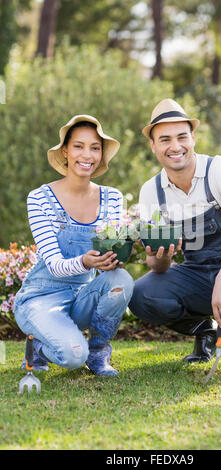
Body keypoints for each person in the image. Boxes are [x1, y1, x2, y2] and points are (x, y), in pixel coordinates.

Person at [129, 99, 221, 380]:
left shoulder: (220, 170)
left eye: (182, 137)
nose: (175, 146)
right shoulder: (152, 192)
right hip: (197, 274)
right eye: (165, 139)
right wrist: (163, 253)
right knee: (140, 295)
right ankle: (204, 330)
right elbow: (156, 266)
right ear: (153, 146)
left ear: (193, 138)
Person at [14, 115, 134, 376]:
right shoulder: (39, 198)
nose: (87, 155)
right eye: (78, 146)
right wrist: (85, 262)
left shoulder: (112, 198)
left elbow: (108, 253)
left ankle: (99, 353)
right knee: (71, 356)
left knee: (121, 279)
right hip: (41, 297)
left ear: (101, 155)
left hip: (81, 296)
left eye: (95, 147)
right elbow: (55, 266)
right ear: (65, 151)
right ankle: (38, 349)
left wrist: (116, 257)